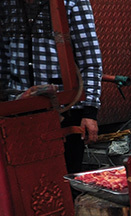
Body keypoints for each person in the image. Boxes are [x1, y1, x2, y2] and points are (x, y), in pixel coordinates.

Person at [0, 0, 103, 174]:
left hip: (64, 109)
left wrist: (89, 112)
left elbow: (90, 61)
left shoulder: (72, 3)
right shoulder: (7, 5)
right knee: (26, 177)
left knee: (65, 178)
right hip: (19, 108)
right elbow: (3, 58)